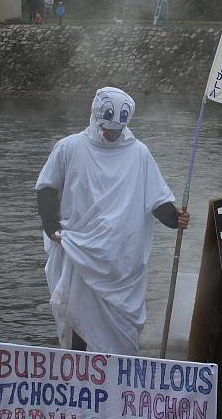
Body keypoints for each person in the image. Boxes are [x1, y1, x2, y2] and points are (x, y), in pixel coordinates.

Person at [35, 87, 189, 355]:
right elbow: (46, 188)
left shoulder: (138, 153)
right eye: (106, 128)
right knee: (76, 312)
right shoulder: (69, 147)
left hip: (122, 258)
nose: (110, 134)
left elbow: (156, 199)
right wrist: (52, 229)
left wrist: (174, 218)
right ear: (95, 119)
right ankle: (80, 367)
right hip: (79, 250)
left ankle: (118, 370)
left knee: (123, 324)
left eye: (116, 131)